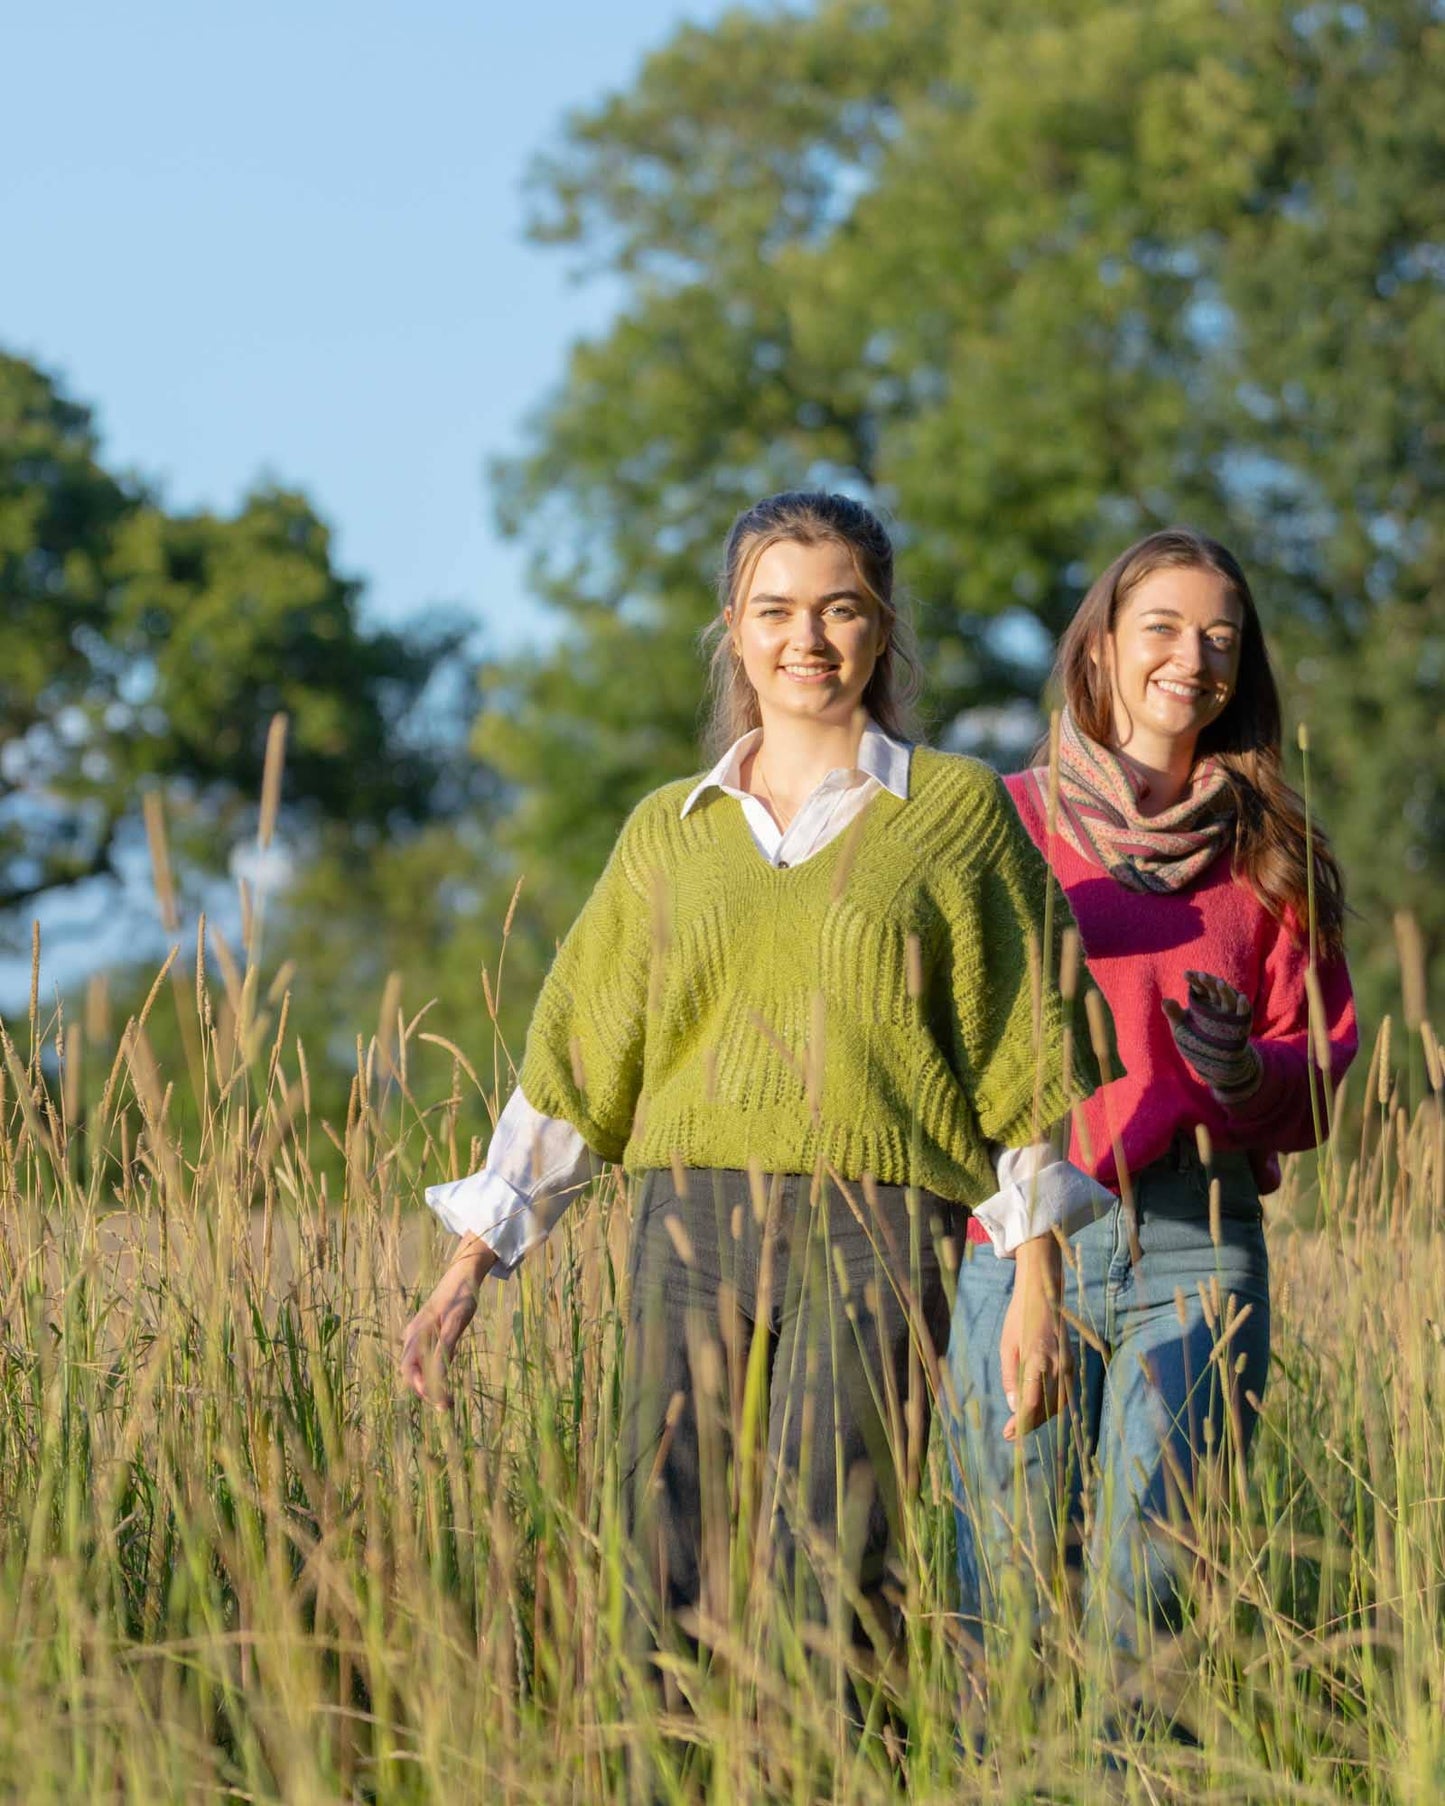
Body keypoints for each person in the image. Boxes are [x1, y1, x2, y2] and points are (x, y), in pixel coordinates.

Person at [400, 491, 1108, 1710]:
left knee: (834, 1574)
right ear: (733, 630)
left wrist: (1036, 1283)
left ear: (881, 629)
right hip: (686, 1225)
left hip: (878, 1227)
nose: (807, 638)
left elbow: (1023, 1056)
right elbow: (578, 1067)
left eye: (840, 608)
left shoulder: (948, 814)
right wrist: (471, 1261)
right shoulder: (666, 834)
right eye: (774, 609)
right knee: (661, 1562)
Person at [943, 527, 1357, 1676]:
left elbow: (1316, 1070)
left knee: (1152, 1596)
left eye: (1219, 638)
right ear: (1101, 650)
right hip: (1017, 1242)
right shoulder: (1003, 823)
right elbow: (956, 1042)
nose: (1193, 657)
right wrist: (1024, 1251)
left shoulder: (1271, 848)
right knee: (1009, 1590)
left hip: (1198, 1243)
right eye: (1162, 629)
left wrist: (1238, 1073)